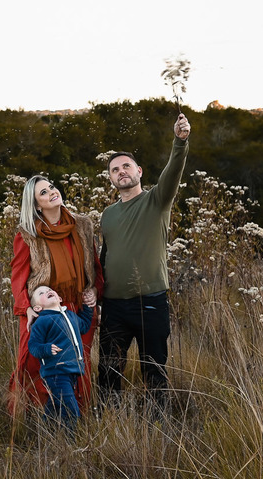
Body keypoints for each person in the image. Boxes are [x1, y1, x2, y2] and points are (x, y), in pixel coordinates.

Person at [97, 113, 191, 408]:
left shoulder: (157, 201)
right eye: (115, 170)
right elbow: (105, 256)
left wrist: (180, 142)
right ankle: (107, 421)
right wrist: (96, 296)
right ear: (111, 178)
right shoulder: (108, 215)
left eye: (126, 166)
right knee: (108, 371)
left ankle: (157, 425)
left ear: (139, 171)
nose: (121, 172)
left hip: (150, 302)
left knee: (154, 369)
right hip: (113, 306)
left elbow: (173, 172)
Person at [9, 176, 101, 415]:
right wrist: (26, 308)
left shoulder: (82, 226)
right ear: (36, 205)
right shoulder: (28, 234)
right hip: (44, 310)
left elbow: (95, 266)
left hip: (78, 310)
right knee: (34, 363)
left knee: (78, 363)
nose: (51, 192)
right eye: (43, 192)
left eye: (51, 187)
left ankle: (76, 418)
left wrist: (94, 291)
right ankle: (32, 418)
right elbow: (18, 276)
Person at [27, 285, 95, 426]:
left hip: (72, 371)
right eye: (41, 293)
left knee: (55, 406)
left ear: (60, 298)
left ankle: (46, 430)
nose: (47, 292)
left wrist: (88, 307)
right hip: (56, 372)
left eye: (49, 290)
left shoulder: (71, 316)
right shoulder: (42, 321)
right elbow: (33, 345)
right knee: (71, 411)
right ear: (37, 308)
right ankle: (70, 437)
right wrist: (46, 348)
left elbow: (84, 326)